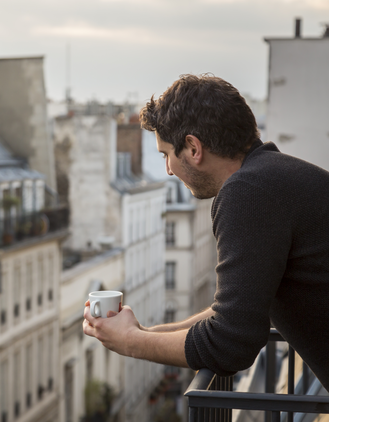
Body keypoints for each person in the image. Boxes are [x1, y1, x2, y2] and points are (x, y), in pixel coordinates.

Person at [83, 73, 328, 391]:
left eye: (166, 155)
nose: (168, 170)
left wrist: (131, 343)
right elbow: (233, 310)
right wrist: (144, 332)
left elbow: (230, 343)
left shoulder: (247, 191)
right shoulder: (273, 175)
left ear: (193, 148)